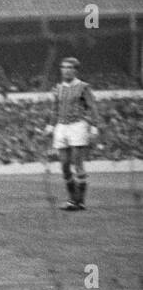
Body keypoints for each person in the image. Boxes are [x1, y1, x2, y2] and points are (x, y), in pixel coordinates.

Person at [44, 57, 98, 211]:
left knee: (77, 163)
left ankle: (78, 201)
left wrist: (94, 126)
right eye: (63, 67)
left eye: (70, 67)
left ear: (75, 70)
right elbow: (55, 108)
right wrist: (50, 125)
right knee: (64, 166)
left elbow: (92, 106)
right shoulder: (58, 88)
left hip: (77, 126)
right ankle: (72, 199)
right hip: (61, 127)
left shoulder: (83, 87)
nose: (66, 70)